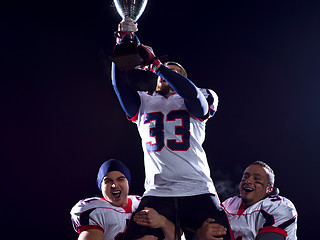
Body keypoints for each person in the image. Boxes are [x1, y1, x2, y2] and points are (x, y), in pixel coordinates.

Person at [111, 19, 232, 240]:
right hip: (158, 192)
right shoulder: (144, 101)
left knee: (218, 235)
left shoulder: (202, 94)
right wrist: (124, 43)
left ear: (182, 80)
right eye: (162, 75)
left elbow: (193, 96)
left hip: (198, 188)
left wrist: (159, 66)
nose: (164, 76)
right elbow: (119, 86)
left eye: (173, 73)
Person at [70, 159, 177, 240]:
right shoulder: (95, 211)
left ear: (128, 183)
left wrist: (163, 222)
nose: (114, 185)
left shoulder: (142, 203)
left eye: (120, 179)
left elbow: (179, 237)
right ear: (100, 186)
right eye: (108, 181)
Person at [195, 161, 298, 240]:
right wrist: (199, 236)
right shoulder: (229, 204)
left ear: (269, 189)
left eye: (256, 179)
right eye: (245, 178)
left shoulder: (279, 207)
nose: (248, 181)